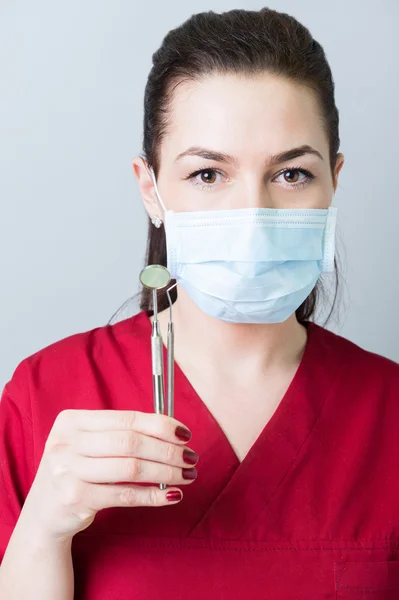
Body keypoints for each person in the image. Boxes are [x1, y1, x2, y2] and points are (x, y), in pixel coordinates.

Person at [1, 7, 399, 600]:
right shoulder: (46, 396)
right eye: (209, 174)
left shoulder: (387, 412)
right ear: (150, 189)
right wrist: (41, 535)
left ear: (334, 182)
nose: (253, 218)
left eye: (291, 174)